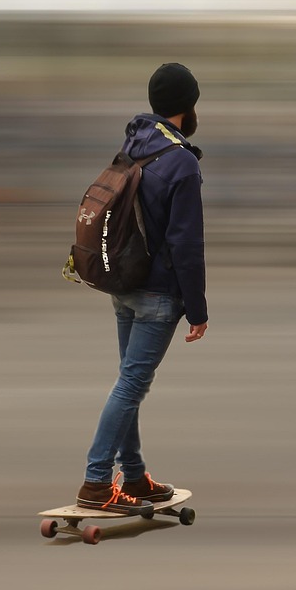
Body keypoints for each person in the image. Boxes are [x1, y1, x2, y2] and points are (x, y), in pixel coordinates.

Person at [76, 62, 209, 514]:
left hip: (125, 283)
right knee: (131, 385)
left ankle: (133, 476)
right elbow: (186, 243)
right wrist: (198, 309)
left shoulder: (135, 145)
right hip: (157, 294)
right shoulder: (181, 162)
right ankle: (96, 482)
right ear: (188, 106)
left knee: (127, 383)